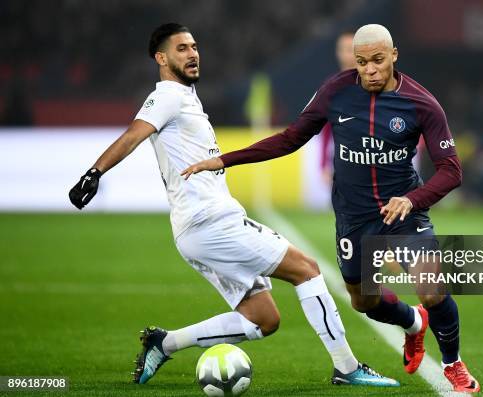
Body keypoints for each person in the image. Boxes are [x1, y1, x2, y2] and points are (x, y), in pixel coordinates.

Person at [67, 23, 399, 388]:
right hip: (210, 222)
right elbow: (134, 133)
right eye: (181, 49)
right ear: (161, 58)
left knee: (263, 319)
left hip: (197, 229)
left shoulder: (186, 98)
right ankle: (347, 368)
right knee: (306, 269)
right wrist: (94, 173)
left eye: (194, 46)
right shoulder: (167, 97)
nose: (192, 53)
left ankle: (165, 342)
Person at [182, 24, 480, 393]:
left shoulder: (422, 104)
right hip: (354, 218)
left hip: (403, 212)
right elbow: (291, 138)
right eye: (361, 62)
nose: (369, 69)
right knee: (364, 302)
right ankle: (413, 324)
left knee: (432, 289)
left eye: (377, 61)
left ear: (394, 56)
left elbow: (452, 170)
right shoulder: (336, 92)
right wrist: (224, 160)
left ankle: (453, 364)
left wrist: (411, 200)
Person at [320, 31, 357, 187]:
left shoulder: (374, 83)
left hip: (371, 158)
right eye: (343, 49)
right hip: (342, 160)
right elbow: (326, 127)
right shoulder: (331, 86)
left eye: (350, 49)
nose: (346, 54)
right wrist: (323, 164)